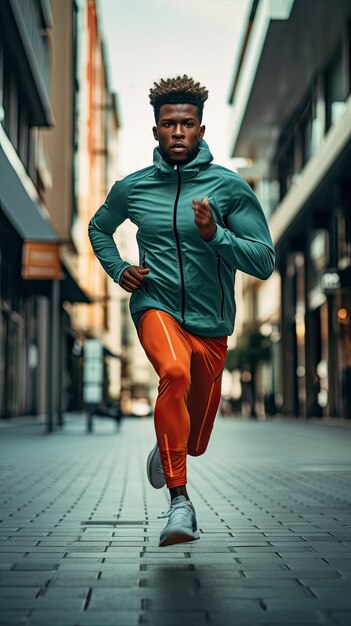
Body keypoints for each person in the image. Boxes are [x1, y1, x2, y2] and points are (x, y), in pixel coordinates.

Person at [88, 75, 275, 547]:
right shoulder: (132, 189)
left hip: (211, 326)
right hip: (157, 304)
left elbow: (264, 261)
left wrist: (216, 235)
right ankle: (179, 503)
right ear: (155, 130)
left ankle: (170, 444)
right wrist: (118, 269)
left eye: (186, 124)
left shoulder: (229, 189)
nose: (177, 132)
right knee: (173, 371)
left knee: (194, 440)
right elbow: (98, 228)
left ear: (201, 130)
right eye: (168, 124)